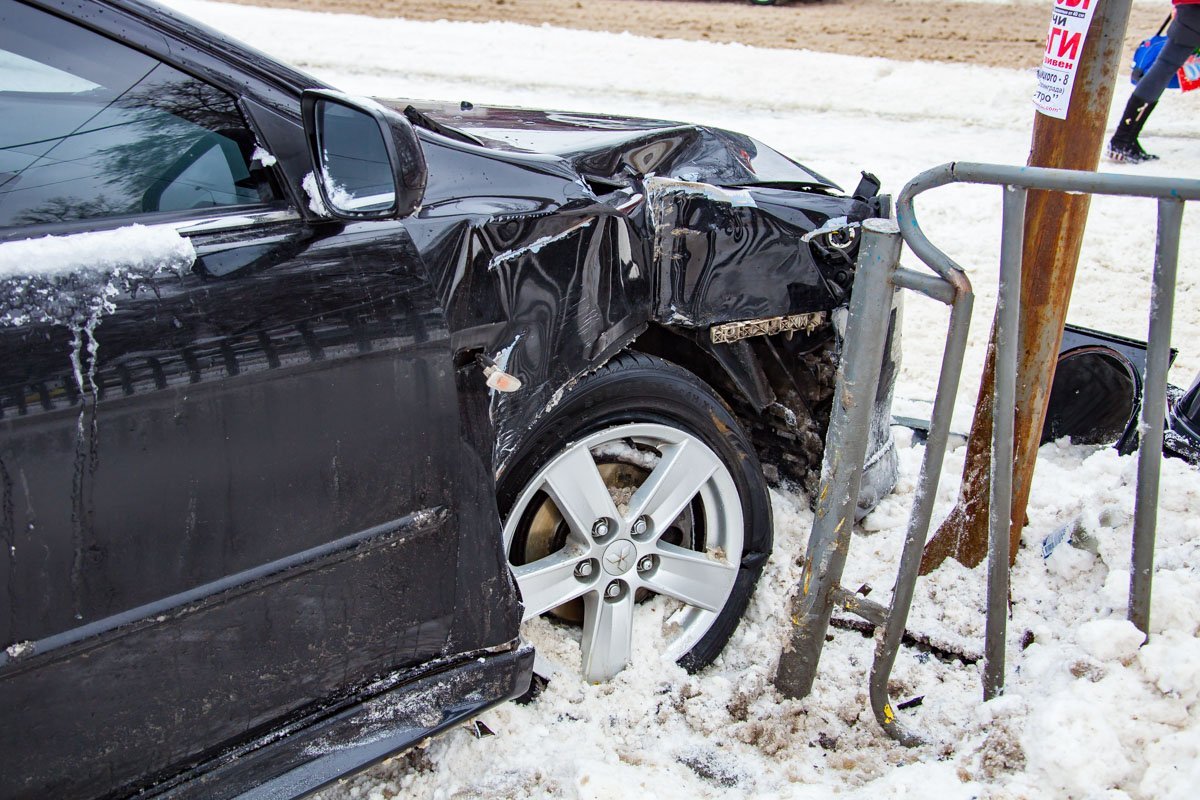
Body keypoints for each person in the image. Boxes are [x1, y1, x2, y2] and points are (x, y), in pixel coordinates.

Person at [1107, 0, 1200, 163]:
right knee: (1163, 67)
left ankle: (1122, 140)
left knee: (1164, 67)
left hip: (1188, 9)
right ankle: (1122, 141)